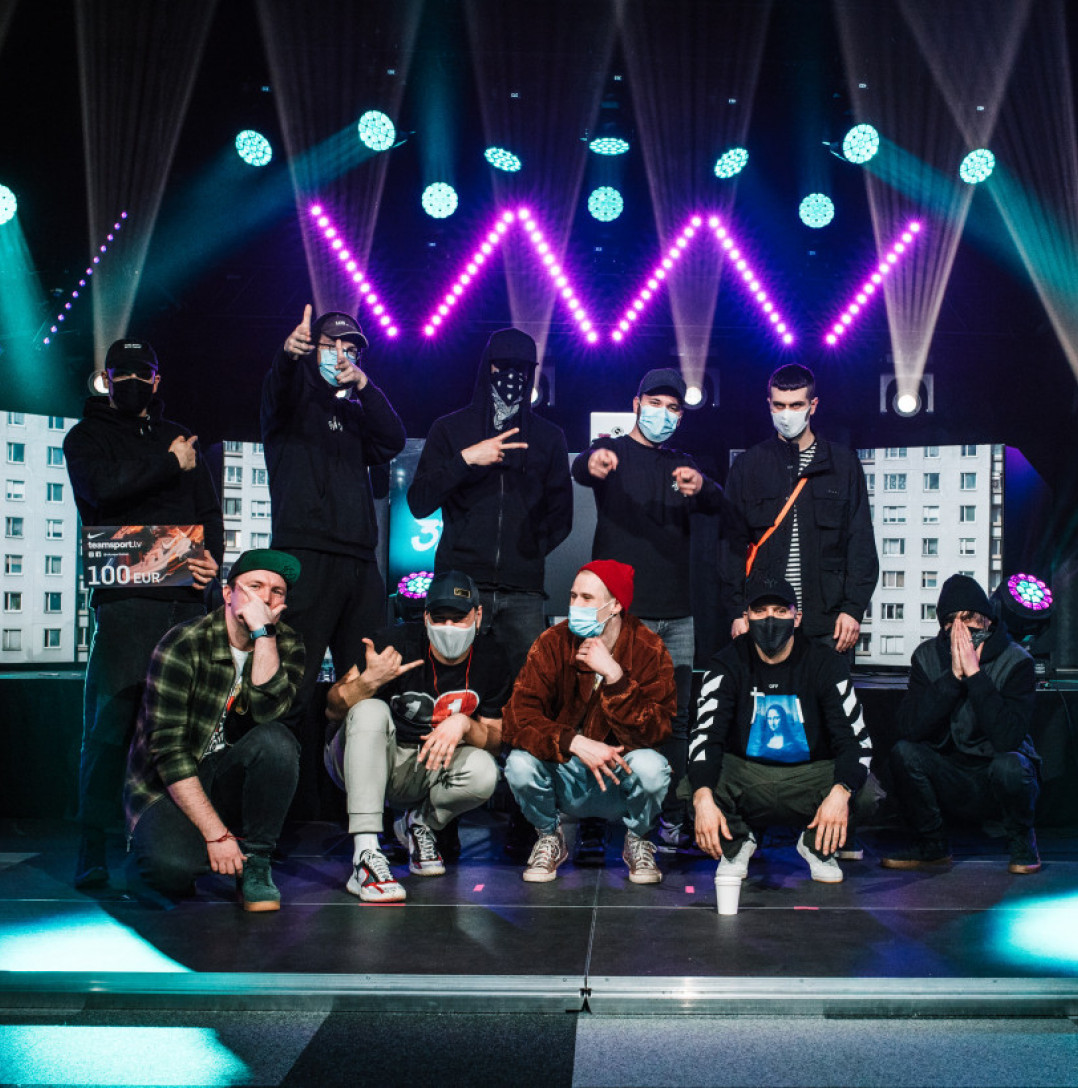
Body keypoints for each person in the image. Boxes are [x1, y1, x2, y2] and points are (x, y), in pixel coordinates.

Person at [63, 338, 223, 889]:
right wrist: (168, 463)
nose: (132, 380)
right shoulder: (86, 437)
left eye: (142, 372)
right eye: (122, 372)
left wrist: (211, 561)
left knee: (184, 727)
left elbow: (209, 514)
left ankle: (178, 837)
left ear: (157, 380)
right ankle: (92, 844)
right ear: (107, 379)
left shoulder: (180, 436)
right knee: (109, 727)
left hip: (184, 604)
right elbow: (100, 491)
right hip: (125, 604)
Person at [571, 367, 725, 857]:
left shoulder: (683, 464)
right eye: (655, 403)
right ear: (636, 404)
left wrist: (700, 485)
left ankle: (670, 818)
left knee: (674, 721)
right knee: (599, 714)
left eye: (674, 408)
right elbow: (582, 468)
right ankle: (593, 822)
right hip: (619, 615)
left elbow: (718, 502)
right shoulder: (611, 451)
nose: (664, 414)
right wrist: (592, 462)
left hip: (676, 615)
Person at [261, 307, 406, 811]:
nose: (341, 355)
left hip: (360, 564)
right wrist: (288, 356)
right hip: (306, 558)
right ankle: (275, 819)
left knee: (364, 689)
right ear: (313, 349)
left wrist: (364, 384)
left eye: (351, 348)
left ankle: (362, 816)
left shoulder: (354, 413)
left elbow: (393, 439)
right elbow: (279, 387)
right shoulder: (287, 407)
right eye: (332, 345)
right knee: (294, 690)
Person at [124, 549, 305, 910]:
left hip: (227, 776)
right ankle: (169, 845)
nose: (266, 598)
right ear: (227, 594)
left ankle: (256, 862)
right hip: (171, 783)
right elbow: (169, 753)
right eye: (255, 586)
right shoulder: (184, 643)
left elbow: (269, 713)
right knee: (169, 873)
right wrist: (215, 835)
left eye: (277, 591)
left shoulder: (286, 643)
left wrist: (264, 635)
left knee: (278, 742)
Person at [323, 570, 509, 902]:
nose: (448, 627)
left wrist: (465, 724)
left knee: (484, 771)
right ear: (425, 617)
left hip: (428, 767)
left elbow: (496, 740)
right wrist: (368, 683)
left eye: (459, 618)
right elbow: (333, 709)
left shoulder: (492, 658)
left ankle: (419, 823)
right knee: (369, 709)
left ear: (478, 616)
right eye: (439, 618)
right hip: (367, 760)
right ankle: (365, 855)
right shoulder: (391, 644)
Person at [407, 327, 573, 676]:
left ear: (532, 373)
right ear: (487, 367)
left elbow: (562, 515)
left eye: (521, 369)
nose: (512, 376)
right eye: (502, 366)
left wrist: (527, 553)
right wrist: (466, 459)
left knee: (529, 689)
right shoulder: (450, 429)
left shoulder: (549, 437)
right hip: (461, 587)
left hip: (524, 592)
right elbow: (419, 502)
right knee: (452, 683)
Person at [690, 575, 872, 884]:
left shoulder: (825, 663)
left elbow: (854, 741)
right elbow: (706, 737)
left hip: (809, 776)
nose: (770, 619)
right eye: (760, 611)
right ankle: (736, 844)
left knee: (865, 791)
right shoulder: (726, 663)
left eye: (780, 611)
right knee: (694, 785)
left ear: (797, 618)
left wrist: (841, 792)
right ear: (746, 617)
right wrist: (702, 798)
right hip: (747, 775)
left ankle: (817, 845)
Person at [502, 560, 675, 884]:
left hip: (618, 774)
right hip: (566, 772)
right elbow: (518, 717)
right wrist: (575, 742)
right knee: (519, 764)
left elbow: (659, 729)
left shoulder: (648, 647)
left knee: (653, 767)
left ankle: (637, 838)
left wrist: (616, 678)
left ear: (615, 605)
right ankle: (549, 836)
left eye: (586, 598)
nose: (575, 606)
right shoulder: (552, 642)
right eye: (573, 596)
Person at [881, 574, 1041, 874]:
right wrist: (953, 678)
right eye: (951, 621)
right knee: (904, 752)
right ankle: (933, 846)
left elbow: (1007, 738)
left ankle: (1022, 841)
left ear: (987, 620)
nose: (960, 628)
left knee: (1012, 765)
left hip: (995, 770)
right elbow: (909, 728)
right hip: (949, 771)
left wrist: (975, 675)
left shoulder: (1017, 661)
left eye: (968, 618)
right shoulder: (927, 656)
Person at [719, 362, 878, 658]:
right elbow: (730, 548)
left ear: (812, 405)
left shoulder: (843, 464)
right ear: (769, 404)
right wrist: (737, 611)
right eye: (779, 405)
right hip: (764, 619)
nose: (786, 414)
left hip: (828, 622)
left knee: (829, 690)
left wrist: (853, 609)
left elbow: (861, 543)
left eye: (796, 405)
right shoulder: (748, 466)